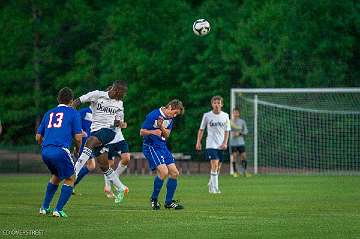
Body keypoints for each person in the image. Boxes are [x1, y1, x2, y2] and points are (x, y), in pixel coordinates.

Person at [72, 80, 129, 204]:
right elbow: (78, 101)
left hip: (109, 132)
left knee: (90, 141)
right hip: (96, 131)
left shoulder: (119, 104)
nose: (121, 96)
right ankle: (121, 188)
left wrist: (120, 123)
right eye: (121, 93)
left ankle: (74, 172)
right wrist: (69, 111)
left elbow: (119, 121)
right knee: (103, 165)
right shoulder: (97, 94)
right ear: (115, 89)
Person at [36, 87, 83, 218]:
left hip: (45, 151)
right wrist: (77, 150)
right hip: (60, 150)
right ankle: (58, 210)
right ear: (72, 101)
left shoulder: (49, 113)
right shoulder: (73, 113)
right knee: (71, 177)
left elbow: (38, 137)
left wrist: (46, 146)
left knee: (56, 175)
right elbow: (78, 138)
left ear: (58, 99)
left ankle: (44, 208)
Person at [140, 99, 185, 210]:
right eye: (174, 112)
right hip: (151, 147)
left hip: (162, 147)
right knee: (164, 172)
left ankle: (168, 202)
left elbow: (167, 134)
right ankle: (154, 199)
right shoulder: (153, 115)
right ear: (169, 107)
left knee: (174, 173)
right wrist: (152, 132)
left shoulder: (170, 119)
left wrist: (161, 127)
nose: (174, 115)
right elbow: (141, 132)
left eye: (176, 114)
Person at [196, 96, 230, 194]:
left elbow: (227, 130)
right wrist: (198, 141)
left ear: (221, 104)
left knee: (218, 167)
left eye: (218, 103)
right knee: (214, 165)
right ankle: (214, 189)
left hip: (221, 144)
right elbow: (201, 129)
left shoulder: (225, 116)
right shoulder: (207, 115)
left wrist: (225, 143)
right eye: (215, 103)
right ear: (212, 104)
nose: (217, 105)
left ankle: (211, 183)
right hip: (211, 144)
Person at [230, 108, 249, 177]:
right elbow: (226, 130)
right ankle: (235, 172)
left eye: (237, 113)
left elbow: (246, 132)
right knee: (234, 156)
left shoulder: (242, 122)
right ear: (232, 113)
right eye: (234, 112)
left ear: (239, 113)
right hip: (233, 143)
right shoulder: (230, 121)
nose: (235, 114)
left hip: (241, 142)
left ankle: (245, 171)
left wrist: (239, 134)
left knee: (243, 156)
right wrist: (232, 132)